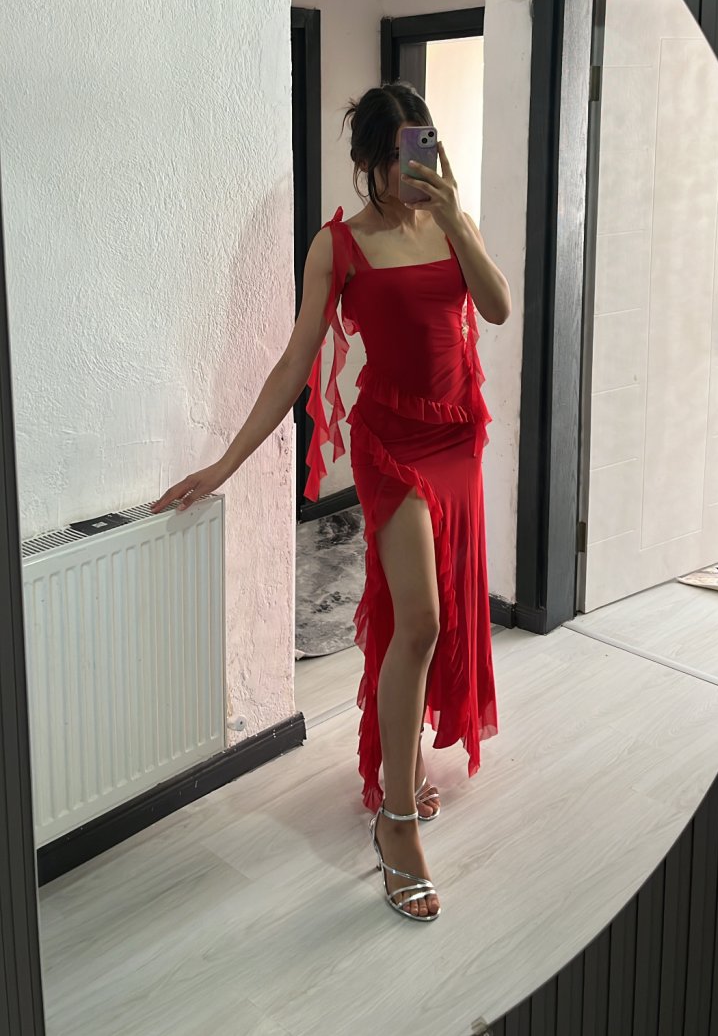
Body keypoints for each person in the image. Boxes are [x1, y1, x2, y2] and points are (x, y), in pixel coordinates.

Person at [151, 82, 511, 923]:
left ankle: (404, 764)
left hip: (456, 438)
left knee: (437, 616)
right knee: (418, 620)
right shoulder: (338, 246)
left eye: (421, 147)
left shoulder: (448, 223)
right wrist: (227, 462)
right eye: (395, 156)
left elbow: (495, 307)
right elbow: (294, 363)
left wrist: (457, 219)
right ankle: (395, 824)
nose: (409, 170)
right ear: (368, 162)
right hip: (390, 446)